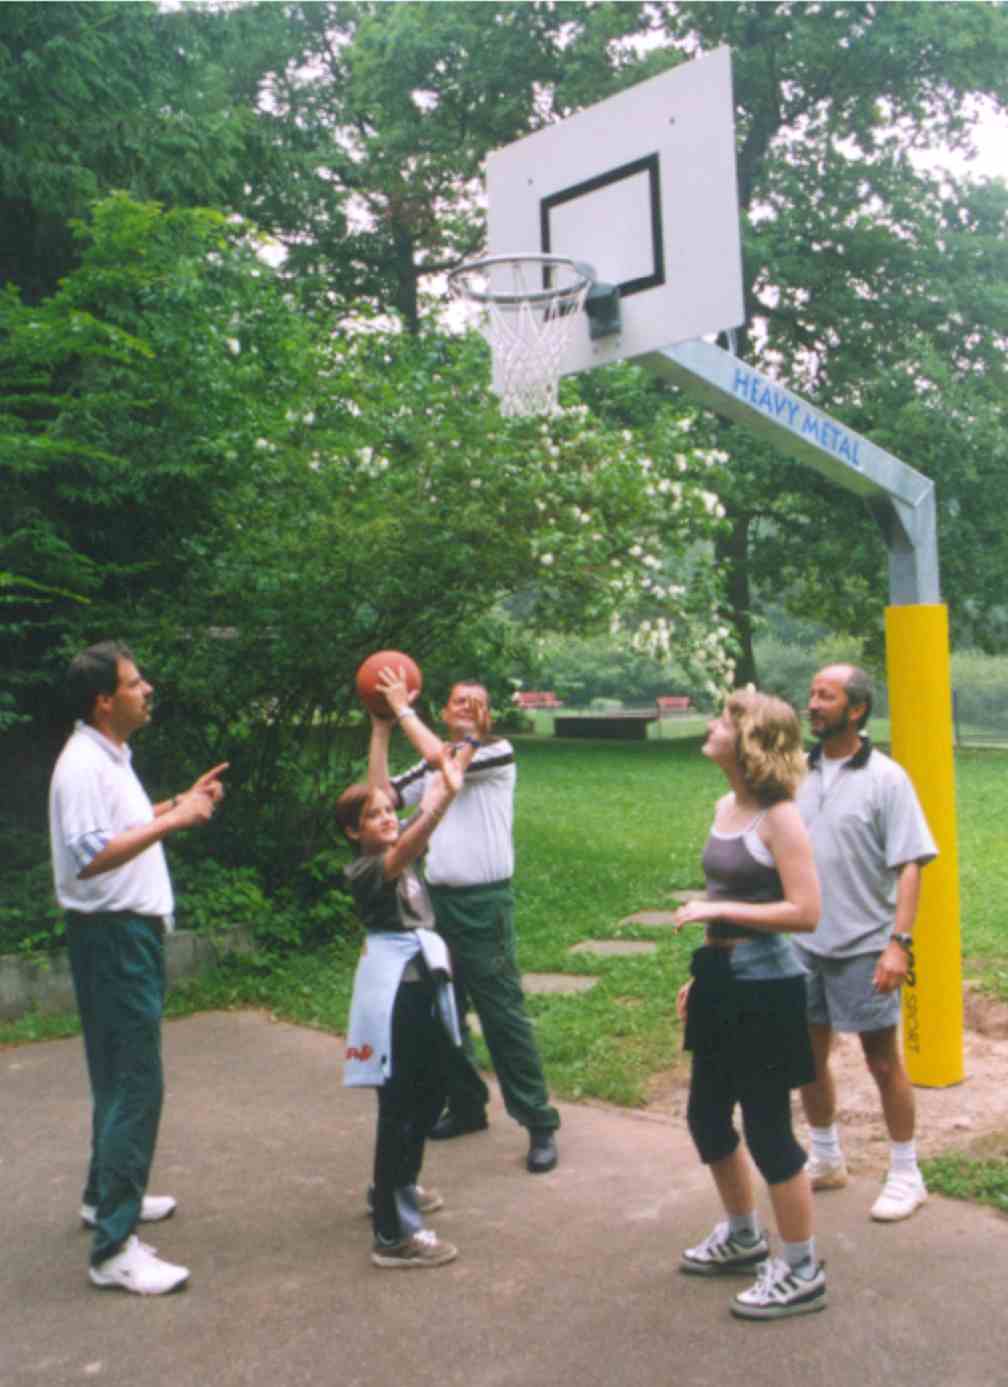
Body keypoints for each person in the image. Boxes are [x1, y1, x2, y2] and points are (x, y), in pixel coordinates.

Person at [48, 640, 227, 1295]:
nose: (147, 689)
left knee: (115, 1076)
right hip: (116, 939)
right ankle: (114, 1249)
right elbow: (91, 854)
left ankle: (104, 1198)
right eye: (134, 682)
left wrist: (172, 804)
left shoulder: (107, 758)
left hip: (120, 937)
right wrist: (177, 821)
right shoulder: (82, 765)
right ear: (104, 700)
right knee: (135, 1084)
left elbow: (116, 827)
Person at [673, 689, 826, 1321]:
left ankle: (802, 1269)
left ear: (750, 741)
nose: (711, 726)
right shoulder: (725, 806)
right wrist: (704, 977)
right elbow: (725, 900)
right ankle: (742, 1237)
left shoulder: (778, 817)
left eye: (724, 719)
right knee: (707, 1118)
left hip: (766, 986)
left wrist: (717, 910)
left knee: (767, 1130)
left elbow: (806, 912)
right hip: (723, 976)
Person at [376, 672, 560, 1174]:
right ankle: (466, 1105)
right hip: (436, 905)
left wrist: (403, 710)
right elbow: (383, 795)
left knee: (502, 1014)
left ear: (488, 716)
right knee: (442, 1013)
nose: (466, 706)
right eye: (458, 700)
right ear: (443, 711)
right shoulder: (434, 760)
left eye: (477, 702)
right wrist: (381, 727)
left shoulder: (496, 752)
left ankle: (539, 1121)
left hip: (484, 905)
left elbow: (447, 763)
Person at [795, 664, 937, 1222]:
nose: (812, 704)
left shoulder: (887, 779)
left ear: (856, 709)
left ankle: (906, 1174)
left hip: (864, 945)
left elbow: (910, 865)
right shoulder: (795, 772)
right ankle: (827, 1157)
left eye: (826, 696)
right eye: (811, 694)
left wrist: (898, 944)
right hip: (803, 944)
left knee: (881, 1061)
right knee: (807, 1057)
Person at [337, 706, 466, 1269]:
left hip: (421, 981)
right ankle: (392, 1234)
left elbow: (384, 792)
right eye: (374, 816)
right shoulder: (367, 869)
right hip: (394, 992)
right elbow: (409, 842)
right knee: (401, 1106)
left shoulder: (391, 848)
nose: (388, 816)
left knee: (430, 1091)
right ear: (353, 833)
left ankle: (397, 1186)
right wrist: (443, 798)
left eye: (391, 811)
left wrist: (382, 730)